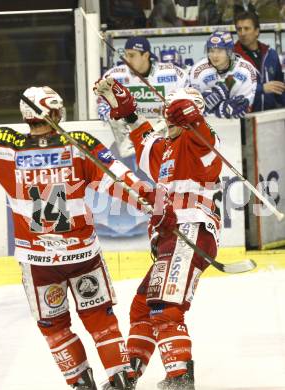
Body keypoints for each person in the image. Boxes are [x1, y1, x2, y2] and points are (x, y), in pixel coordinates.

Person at [0, 56, 154, 390]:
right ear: (55, 114)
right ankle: (120, 380)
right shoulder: (80, 145)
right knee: (100, 319)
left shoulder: (5, 147)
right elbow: (123, 181)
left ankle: (80, 383)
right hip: (82, 253)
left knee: (54, 326)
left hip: (38, 260)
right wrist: (157, 204)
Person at [94, 78, 222, 389]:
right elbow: (143, 137)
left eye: (173, 118)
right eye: (167, 118)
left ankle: (179, 377)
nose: (167, 123)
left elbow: (207, 148)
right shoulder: (164, 148)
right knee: (142, 306)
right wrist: (128, 112)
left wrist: (189, 115)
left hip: (191, 230)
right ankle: (131, 374)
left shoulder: (201, 141)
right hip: (170, 237)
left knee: (166, 306)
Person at [97, 36, 189, 157]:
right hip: (131, 128)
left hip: (163, 126)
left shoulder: (172, 73)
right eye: (125, 55)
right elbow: (101, 103)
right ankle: (131, 156)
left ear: (145, 55)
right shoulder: (113, 75)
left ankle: (169, 155)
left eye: (132, 55)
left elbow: (188, 97)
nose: (127, 59)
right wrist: (108, 110)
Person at [189, 30, 257, 118]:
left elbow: (244, 106)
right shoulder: (198, 71)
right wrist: (221, 110)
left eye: (220, 51)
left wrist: (216, 106)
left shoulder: (246, 70)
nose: (215, 56)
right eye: (211, 51)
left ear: (229, 52)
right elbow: (195, 109)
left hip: (237, 125)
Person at [234, 11, 285, 111]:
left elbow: (280, 89)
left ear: (257, 31)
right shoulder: (231, 58)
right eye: (239, 29)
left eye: (246, 28)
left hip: (270, 117)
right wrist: (261, 89)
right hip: (244, 118)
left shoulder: (271, 54)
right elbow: (231, 91)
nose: (242, 33)